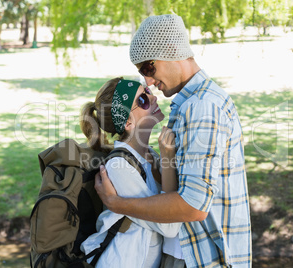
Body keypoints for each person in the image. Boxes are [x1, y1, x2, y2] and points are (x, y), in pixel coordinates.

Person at [94, 14, 252, 268]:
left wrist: (116, 203)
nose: (148, 82)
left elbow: (192, 206)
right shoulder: (188, 104)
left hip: (203, 258)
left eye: (148, 68)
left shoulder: (202, 107)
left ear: (169, 51)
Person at [79, 77, 183, 268]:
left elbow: (170, 205)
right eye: (143, 100)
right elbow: (169, 226)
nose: (153, 99)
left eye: (148, 92)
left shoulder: (150, 155)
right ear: (127, 122)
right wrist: (168, 158)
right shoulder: (119, 167)